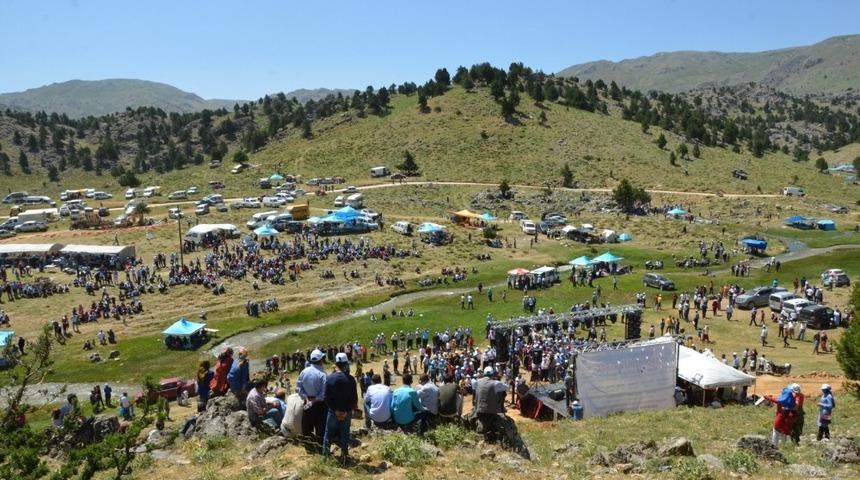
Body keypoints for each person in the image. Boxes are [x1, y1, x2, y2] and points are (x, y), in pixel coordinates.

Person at [323, 352, 357, 463]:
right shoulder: (351, 379)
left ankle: (325, 457)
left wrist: (336, 411)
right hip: (346, 412)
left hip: (333, 412)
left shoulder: (329, 378)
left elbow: (326, 398)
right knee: (345, 433)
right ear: (346, 364)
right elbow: (354, 399)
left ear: (336, 364)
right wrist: (346, 411)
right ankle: (344, 455)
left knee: (328, 433)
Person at [297, 349, 327, 451]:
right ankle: (320, 449)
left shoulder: (303, 372)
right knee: (320, 428)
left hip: (307, 402)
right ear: (321, 360)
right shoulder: (323, 374)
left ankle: (309, 448)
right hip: (319, 404)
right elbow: (324, 393)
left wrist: (306, 397)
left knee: (307, 426)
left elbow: (299, 388)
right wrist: (315, 399)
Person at [473, 366, 509, 442]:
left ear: (483, 374)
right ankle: (501, 408)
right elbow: (507, 387)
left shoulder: (477, 381)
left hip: (479, 409)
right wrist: (503, 381)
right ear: (492, 374)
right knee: (501, 392)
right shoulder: (496, 383)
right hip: (491, 410)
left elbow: (473, 385)